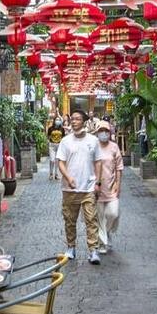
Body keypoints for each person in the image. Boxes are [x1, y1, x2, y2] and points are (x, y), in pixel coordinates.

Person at [56, 109, 104, 265]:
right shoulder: (65, 141)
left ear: (84, 121)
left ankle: (93, 250)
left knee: (91, 219)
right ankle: (71, 247)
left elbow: (98, 162)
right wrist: (68, 177)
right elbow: (60, 162)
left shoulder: (93, 141)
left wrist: (98, 182)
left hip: (88, 187)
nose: (74, 121)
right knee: (70, 220)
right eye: (73, 119)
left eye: (77, 119)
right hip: (69, 189)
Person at [93, 121, 123, 254]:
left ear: (109, 132)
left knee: (113, 213)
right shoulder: (93, 147)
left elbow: (119, 168)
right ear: (97, 132)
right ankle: (102, 242)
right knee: (98, 217)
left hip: (111, 188)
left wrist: (118, 184)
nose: (103, 133)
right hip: (96, 189)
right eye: (101, 130)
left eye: (106, 130)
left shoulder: (114, 147)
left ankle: (107, 231)